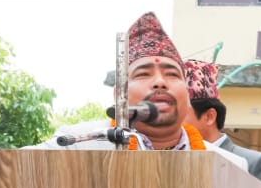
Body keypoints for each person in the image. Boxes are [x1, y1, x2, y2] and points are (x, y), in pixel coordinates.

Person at [46, 12, 242, 170]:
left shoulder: (229, 166)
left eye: (172, 74)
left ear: (188, 95)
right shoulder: (75, 145)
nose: (159, 82)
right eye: (143, 74)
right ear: (118, 95)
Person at [184, 59, 261, 188]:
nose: (170, 123)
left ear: (209, 116)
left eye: (179, 113)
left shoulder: (256, 165)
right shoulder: (167, 163)